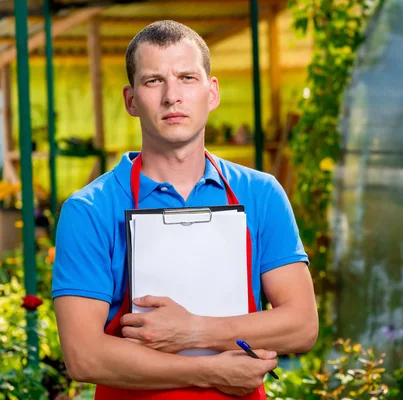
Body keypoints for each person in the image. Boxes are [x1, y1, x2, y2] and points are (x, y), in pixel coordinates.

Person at [51, 20, 318, 400]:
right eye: (153, 81)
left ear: (212, 93)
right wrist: (209, 371)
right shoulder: (89, 210)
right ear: (131, 100)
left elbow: (302, 325)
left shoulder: (261, 194)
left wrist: (195, 331)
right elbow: (84, 356)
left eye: (187, 78)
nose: (172, 96)